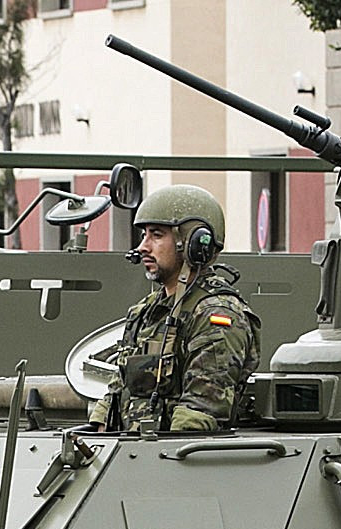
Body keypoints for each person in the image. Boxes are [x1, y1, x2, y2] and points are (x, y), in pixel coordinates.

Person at [100, 184, 260, 437]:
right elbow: (117, 390)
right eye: (144, 235)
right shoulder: (146, 310)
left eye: (156, 235)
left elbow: (200, 412)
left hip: (174, 459)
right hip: (130, 452)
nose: (143, 246)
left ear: (193, 244)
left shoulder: (216, 314)